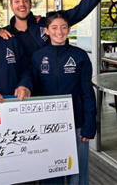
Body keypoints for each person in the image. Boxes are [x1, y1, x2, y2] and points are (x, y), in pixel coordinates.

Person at [31, 11, 96, 185]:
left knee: (78, 173)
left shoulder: (80, 56)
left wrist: (89, 125)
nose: (59, 32)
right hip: (47, 127)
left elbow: (87, 92)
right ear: (46, 31)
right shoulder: (37, 57)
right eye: (54, 28)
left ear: (69, 29)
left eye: (63, 27)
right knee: (50, 172)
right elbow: (34, 91)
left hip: (77, 124)